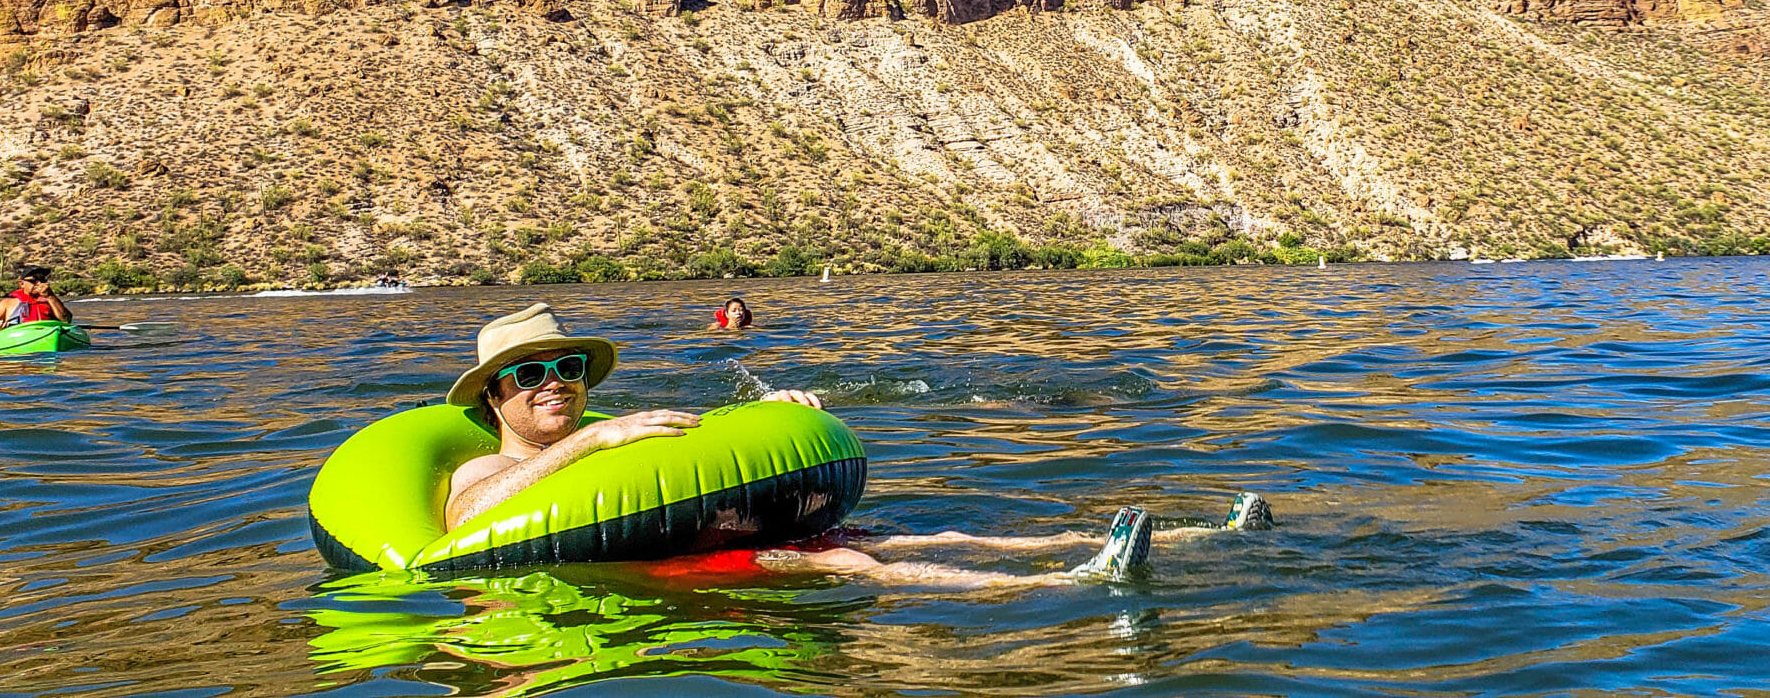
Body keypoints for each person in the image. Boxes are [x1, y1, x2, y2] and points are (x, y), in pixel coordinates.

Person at [442, 303, 1265, 586]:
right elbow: (466, 518)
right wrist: (589, 445)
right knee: (850, 565)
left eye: (569, 366)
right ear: (494, 395)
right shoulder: (488, 463)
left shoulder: (621, 434)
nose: (556, 381)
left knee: (941, 533)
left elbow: (707, 450)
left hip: (733, 528)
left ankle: (1205, 536)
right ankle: (1069, 585)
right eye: (532, 373)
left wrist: (780, 413)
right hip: (658, 565)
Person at [0, 266, 71, 333]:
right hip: (20, 336)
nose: (38, 283)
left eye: (42, 279)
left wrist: (50, 296)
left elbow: (66, 320)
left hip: (48, 333)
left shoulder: (51, 300)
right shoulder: (7, 303)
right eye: (34, 280)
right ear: (22, 284)